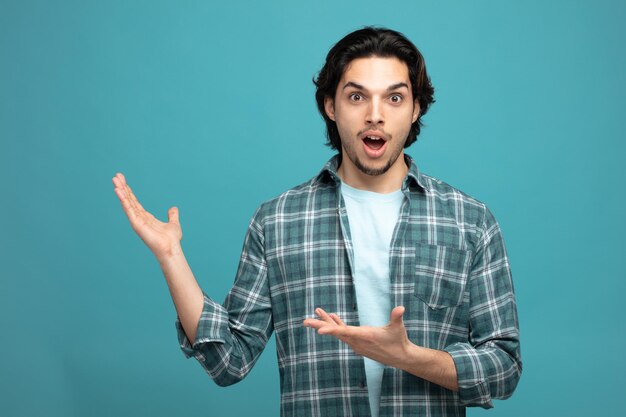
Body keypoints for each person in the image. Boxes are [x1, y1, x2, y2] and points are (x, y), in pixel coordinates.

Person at [112, 26, 521, 417]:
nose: (375, 115)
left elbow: (503, 367)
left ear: (415, 109)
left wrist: (410, 358)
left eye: (394, 99)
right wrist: (170, 256)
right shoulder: (277, 221)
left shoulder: (470, 221)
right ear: (331, 105)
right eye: (357, 97)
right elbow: (228, 361)